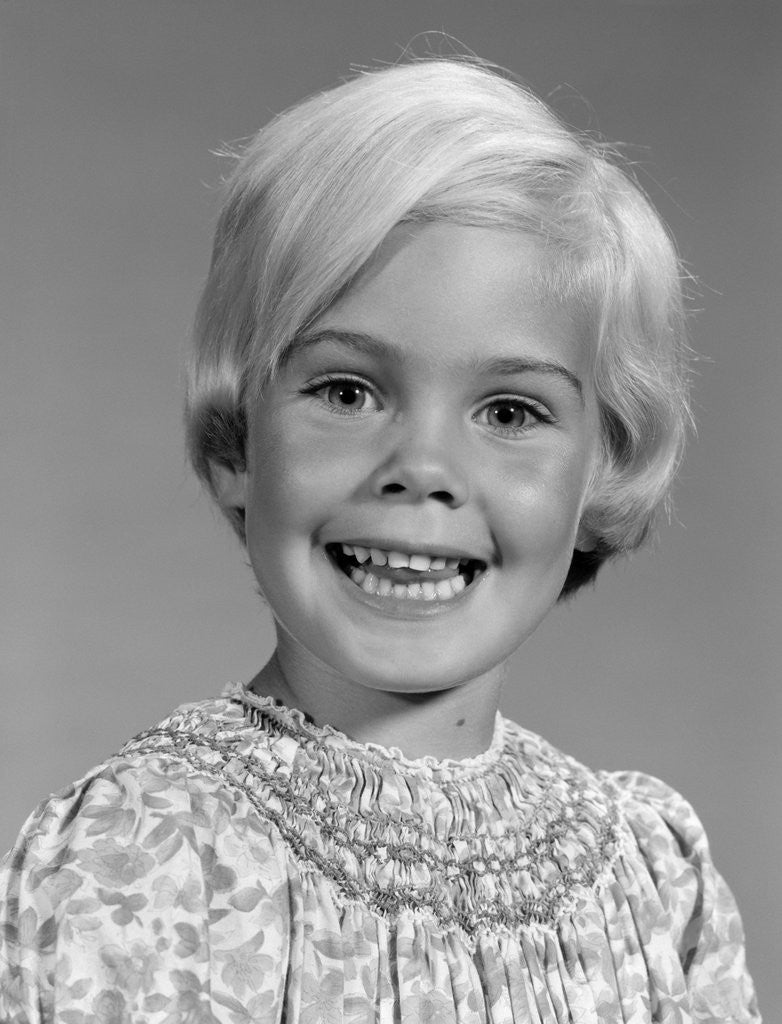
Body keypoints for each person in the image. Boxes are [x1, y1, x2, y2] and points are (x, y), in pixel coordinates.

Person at [0, 58, 760, 1023]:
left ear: (599, 472)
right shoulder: (136, 860)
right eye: (348, 392)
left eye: (512, 410)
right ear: (239, 440)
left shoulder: (653, 876)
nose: (423, 466)